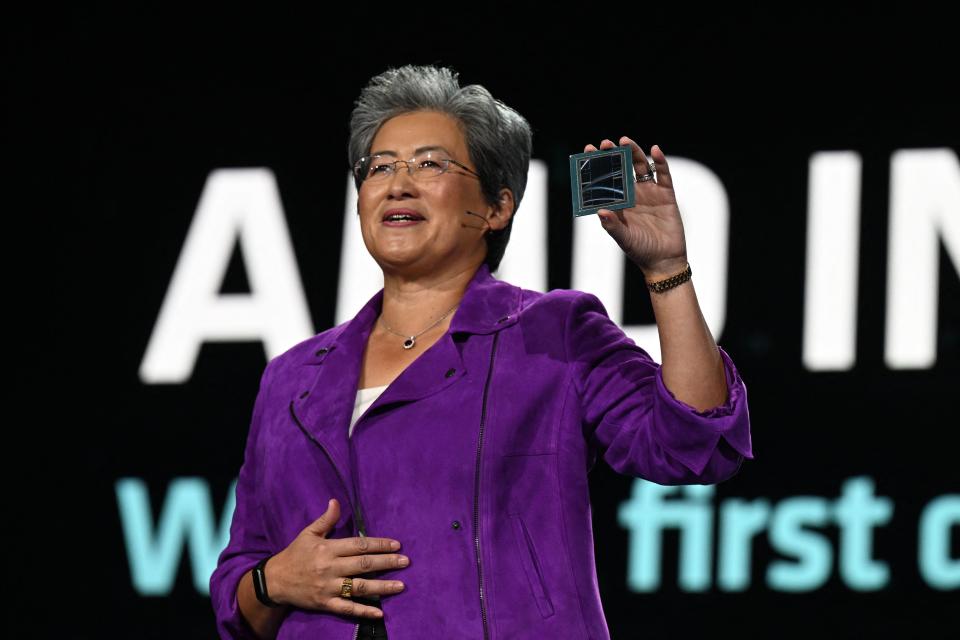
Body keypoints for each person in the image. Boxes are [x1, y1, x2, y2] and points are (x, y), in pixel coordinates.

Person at [209, 64, 754, 640]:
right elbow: (237, 596)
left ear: (497, 207)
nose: (398, 183)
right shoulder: (291, 377)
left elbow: (693, 442)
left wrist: (665, 269)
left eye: (430, 164)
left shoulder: (553, 332)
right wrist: (275, 581)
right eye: (379, 167)